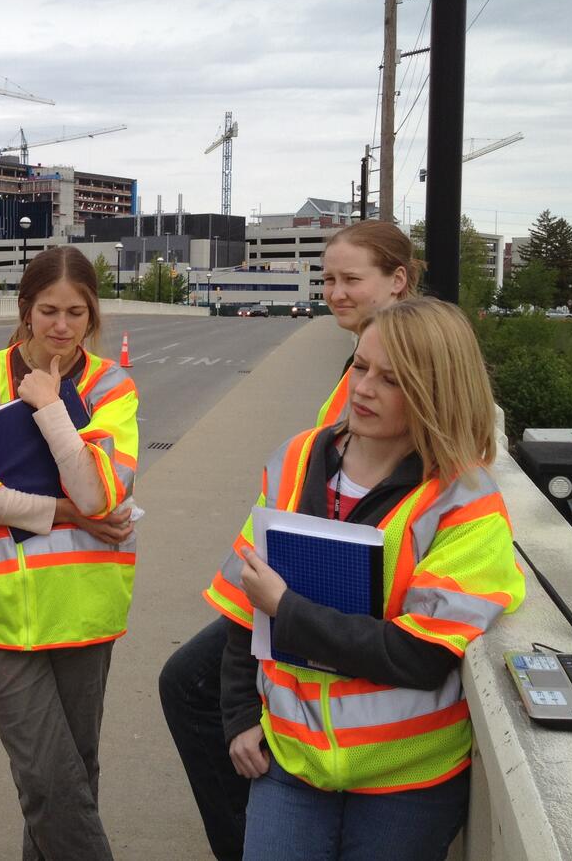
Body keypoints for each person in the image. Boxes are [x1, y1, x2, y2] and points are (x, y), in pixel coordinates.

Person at [207, 297, 524, 861]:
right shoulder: (297, 459)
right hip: (291, 758)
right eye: (359, 366)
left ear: (437, 392)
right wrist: (238, 718)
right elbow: (241, 609)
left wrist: (289, 610)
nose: (363, 388)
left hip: (406, 779)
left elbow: (421, 655)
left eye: (392, 379)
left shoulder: (465, 501)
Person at [159, 219, 420, 861]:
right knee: (201, 683)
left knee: (193, 685)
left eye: (351, 279)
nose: (334, 292)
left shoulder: (409, 361)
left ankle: (249, 836)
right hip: (306, 570)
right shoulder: (356, 355)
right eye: (327, 278)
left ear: (398, 281)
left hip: (336, 582)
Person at [0, 246, 139, 861]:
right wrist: (67, 512)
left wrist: (51, 408)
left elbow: (100, 489)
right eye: (48, 311)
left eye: (76, 313)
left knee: (73, 778)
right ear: (26, 310)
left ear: (92, 315)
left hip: (84, 609)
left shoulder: (111, 385)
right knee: (47, 783)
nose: (61, 326)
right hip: (3, 615)